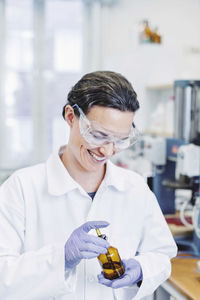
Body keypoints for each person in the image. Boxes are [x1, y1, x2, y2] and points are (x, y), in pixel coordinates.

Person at [0, 71, 177, 300]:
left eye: (120, 140)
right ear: (71, 116)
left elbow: (162, 254)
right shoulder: (21, 188)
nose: (107, 150)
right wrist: (62, 258)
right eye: (98, 135)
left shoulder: (135, 188)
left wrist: (142, 269)